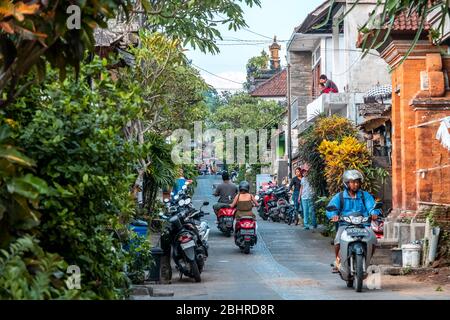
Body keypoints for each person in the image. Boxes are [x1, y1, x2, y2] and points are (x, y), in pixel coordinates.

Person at [326, 169, 381, 273]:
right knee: (337, 240)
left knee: (373, 240)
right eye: (352, 182)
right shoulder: (340, 196)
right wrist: (334, 215)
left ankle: (368, 260)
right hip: (345, 225)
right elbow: (331, 207)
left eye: (357, 182)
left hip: (363, 224)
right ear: (346, 183)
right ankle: (338, 261)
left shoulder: (365, 196)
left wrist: (374, 213)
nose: (355, 184)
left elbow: (372, 206)